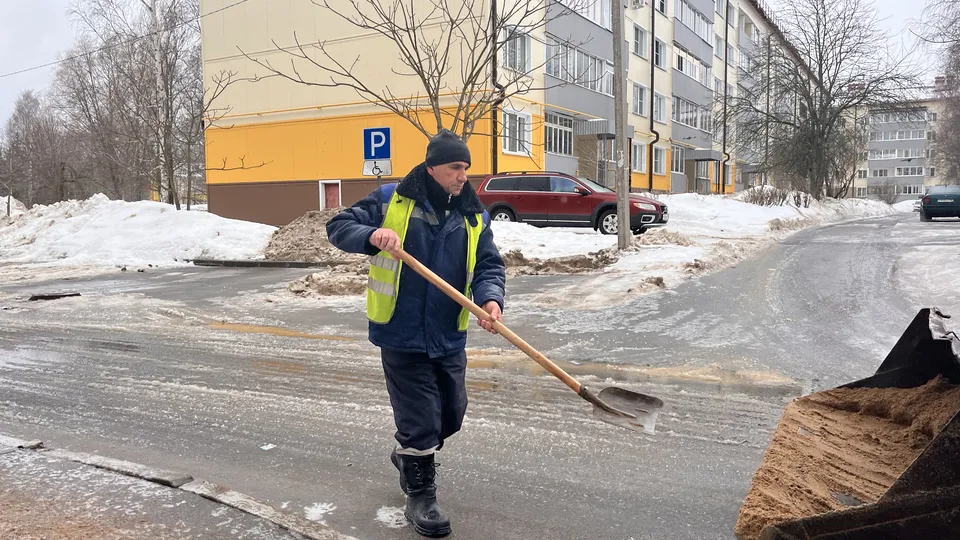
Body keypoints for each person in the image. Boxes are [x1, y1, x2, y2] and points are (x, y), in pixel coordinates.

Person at [326, 129, 506, 538]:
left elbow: (488, 264)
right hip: (401, 330)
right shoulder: (393, 199)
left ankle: (409, 453)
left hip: (448, 331)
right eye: (455, 168)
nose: (463, 176)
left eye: (466, 168)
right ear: (432, 168)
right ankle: (421, 494)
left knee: (451, 414)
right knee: (421, 419)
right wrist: (371, 235)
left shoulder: (473, 213)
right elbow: (338, 225)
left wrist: (491, 299)